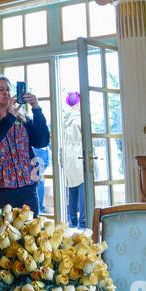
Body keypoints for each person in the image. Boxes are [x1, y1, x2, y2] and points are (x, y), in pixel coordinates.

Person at [0, 77, 50, 214]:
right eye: (0, 90)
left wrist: (36, 109)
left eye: (8, 89)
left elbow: (42, 141)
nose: (6, 93)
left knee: (30, 231)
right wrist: (9, 118)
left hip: (26, 186)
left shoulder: (24, 120)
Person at [59, 91, 85, 226]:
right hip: (79, 154)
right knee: (82, 188)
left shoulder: (64, 119)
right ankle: (84, 222)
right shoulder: (80, 119)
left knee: (72, 189)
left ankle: (72, 220)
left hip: (67, 156)